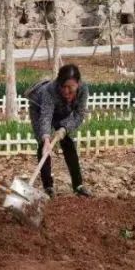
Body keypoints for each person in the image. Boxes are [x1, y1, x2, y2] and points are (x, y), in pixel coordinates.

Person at [26, 64, 92, 198]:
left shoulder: (83, 90)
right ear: (59, 83)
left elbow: (79, 115)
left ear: (78, 83)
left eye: (71, 87)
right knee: (43, 145)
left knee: (67, 141)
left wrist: (64, 129)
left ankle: (78, 185)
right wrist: (46, 138)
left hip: (61, 108)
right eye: (64, 87)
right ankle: (48, 187)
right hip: (39, 108)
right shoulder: (50, 90)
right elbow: (46, 116)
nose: (67, 91)